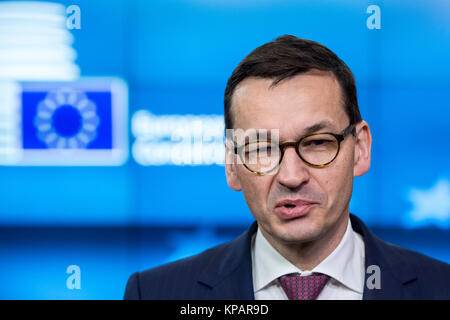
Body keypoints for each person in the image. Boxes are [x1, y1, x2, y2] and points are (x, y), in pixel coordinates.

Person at [124, 35, 450, 300]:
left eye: (317, 143)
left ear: (360, 148)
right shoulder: (155, 294)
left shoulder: (440, 289)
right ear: (232, 164)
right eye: (262, 148)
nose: (292, 176)